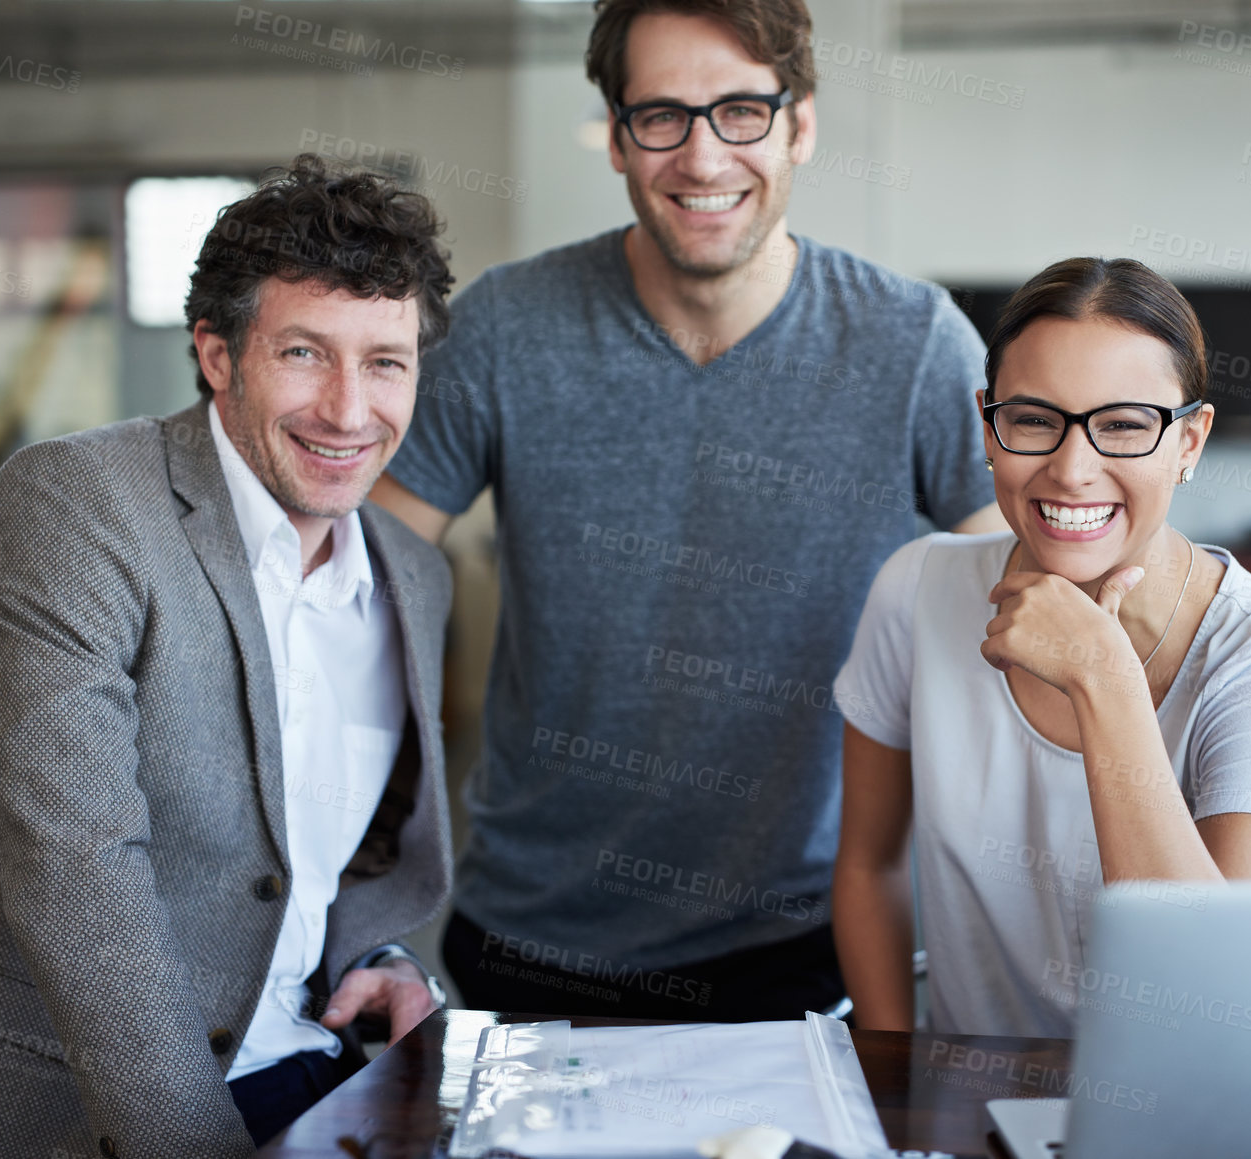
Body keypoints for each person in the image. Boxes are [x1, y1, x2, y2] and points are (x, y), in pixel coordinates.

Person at [368, 0, 1002, 1021]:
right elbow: (356, 602)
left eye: (742, 112)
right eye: (660, 115)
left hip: (806, 943)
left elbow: (1021, 619)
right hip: (528, 943)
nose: (702, 157)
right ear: (617, 137)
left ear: (801, 125)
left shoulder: (913, 343)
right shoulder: (503, 329)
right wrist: (362, 909)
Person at [0, 156, 457, 1158]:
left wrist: (376, 952)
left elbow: (327, 848)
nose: (351, 411)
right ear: (217, 354)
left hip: (309, 1075)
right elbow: (78, 868)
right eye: (305, 353)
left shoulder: (410, 575)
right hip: (60, 1113)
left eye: (385, 361)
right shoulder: (75, 507)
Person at [831, 257, 1251, 1036]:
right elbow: (869, 865)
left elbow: (1218, 991)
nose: (1070, 470)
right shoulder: (915, 590)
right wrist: (892, 1078)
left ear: (1188, 441)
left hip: (1184, 1112)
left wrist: (1103, 675)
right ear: (987, 426)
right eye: (1033, 419)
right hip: (968, 1107)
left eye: (1124, 425)